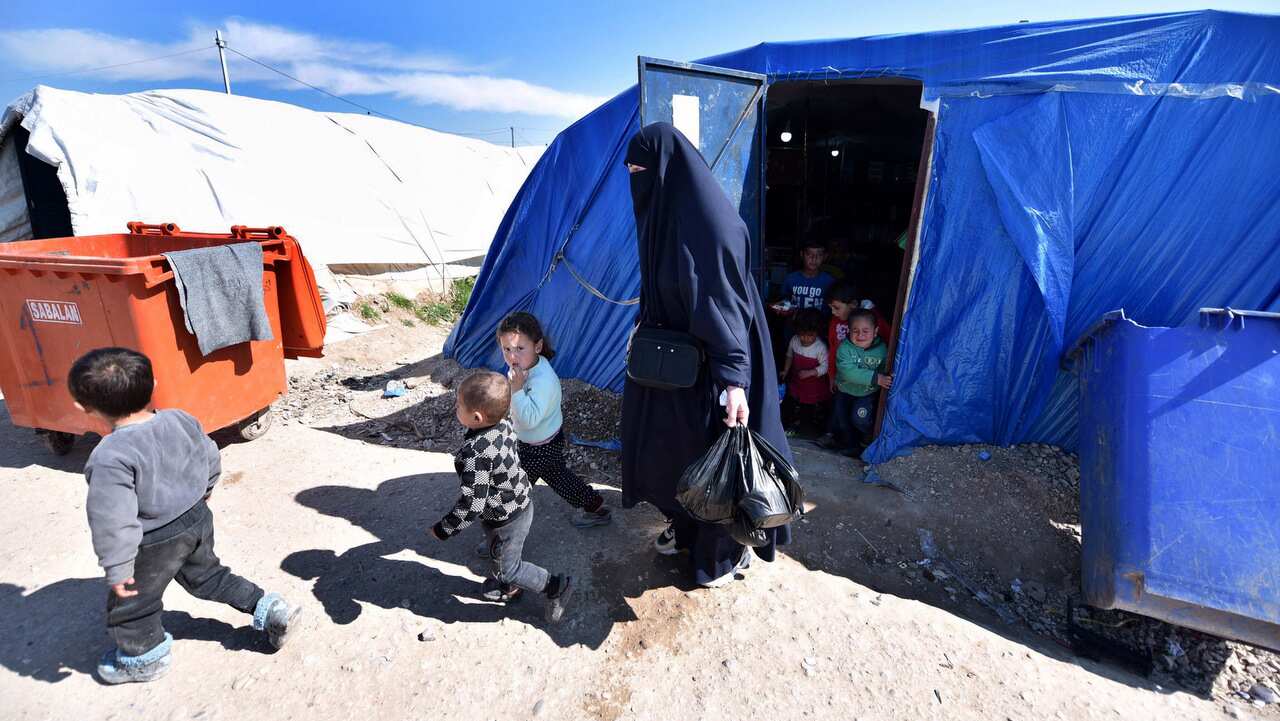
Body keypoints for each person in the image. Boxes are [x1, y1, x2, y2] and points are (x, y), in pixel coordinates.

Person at [621, 122, 793, 589]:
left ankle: (723, 555)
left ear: (666, 169)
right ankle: (685, 530)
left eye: (640, 170)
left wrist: (734, 381)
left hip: (715, 367)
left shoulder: (711, 227)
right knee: (674, 456)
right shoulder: (664, 215)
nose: (635, 179)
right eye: (631, 171)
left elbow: (726, 307)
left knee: (719, 462)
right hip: (675, 366)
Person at [70, 347, 300, 685]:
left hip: (154, 540)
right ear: (154, 385)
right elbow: (209, 455)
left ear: (85, 408)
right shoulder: (179, 419)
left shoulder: (110, 456)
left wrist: (118, 569)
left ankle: (143, 660)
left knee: (133, 604)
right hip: (196, 518)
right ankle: (269, 608)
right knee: (210, 576)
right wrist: (206, 489)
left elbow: (113, 521)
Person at [431, 371, 575, 622]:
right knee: (499, 544)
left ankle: (555, 586)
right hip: (519, 500)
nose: (455, 407)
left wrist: (444, 529)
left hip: (506, 518)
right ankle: (505, 575)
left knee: (508, 569)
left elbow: (472, 505)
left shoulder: (475, 454)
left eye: (459, 405)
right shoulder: (504, 423)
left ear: (477, 417)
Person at [494, 312, 611, 535]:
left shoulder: (543, 381)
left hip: (536, 447)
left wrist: (516, 390)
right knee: (558, 477)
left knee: (513, 489)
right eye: (506, 349)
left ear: (537, 346)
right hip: (546, 439)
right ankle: (595, 506)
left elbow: (528, 420)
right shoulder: (528, 366)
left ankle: (502, 536)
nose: (512, 356)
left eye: (520, 348)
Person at [827, 309, 893, 456]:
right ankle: (852, 446)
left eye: (865, 331)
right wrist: (877, 378)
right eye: (855, 331)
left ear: (875, 332)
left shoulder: (882, 350)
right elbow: (847, 372)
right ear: (849, 331)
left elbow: (887, 370)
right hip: (844, 392)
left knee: (860, 419)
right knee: (843, 421)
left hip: (867, 394)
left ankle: (867, 439)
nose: (860, 335)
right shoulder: (844, 348)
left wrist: (885, 378)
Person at [779, 308, 830, 435]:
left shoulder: (820, 348)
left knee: (808, 409)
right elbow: (789, 355)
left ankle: (805, 427)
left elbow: (825, 366)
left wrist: (811, 372)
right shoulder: (794, 340)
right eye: (802, 334)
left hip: (813, 386)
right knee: (791, 402)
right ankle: (790, 424)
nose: (805, 338)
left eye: (810, 335)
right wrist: (785, 370)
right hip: (797, 382)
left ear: (817, 332)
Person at [780, 239, 836, 314]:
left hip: (821, 321)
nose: (814, 258)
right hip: (794, 321)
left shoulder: (830, 282)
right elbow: (783, 304)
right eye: (809, 254)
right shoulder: (790, 279)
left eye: (819, 255)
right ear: (802, 254)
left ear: (825, 257)